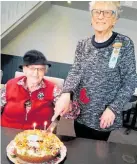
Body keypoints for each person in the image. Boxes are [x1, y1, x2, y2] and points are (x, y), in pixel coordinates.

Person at [52, 1, 137, 141]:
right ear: (91, 17)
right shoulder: (82, 44)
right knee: (80, 143)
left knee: (97, 151)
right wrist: (66, 93)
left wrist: (113, 108)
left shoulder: (124, 44)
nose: (101, 16)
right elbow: (75, 71)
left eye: (107, 12)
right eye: (97, 11)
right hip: (81, 110)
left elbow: (130, 80)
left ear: (115, 19)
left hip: (105, 113)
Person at [1, 50, 61, 130]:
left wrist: (68, 102)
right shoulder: (10, 85)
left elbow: (67, 112)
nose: (36, 73)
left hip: (38, 137)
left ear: (44, 71)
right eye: (32, 68)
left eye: (40, 69)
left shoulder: (53, 89)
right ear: (24, 69)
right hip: (7, 133)